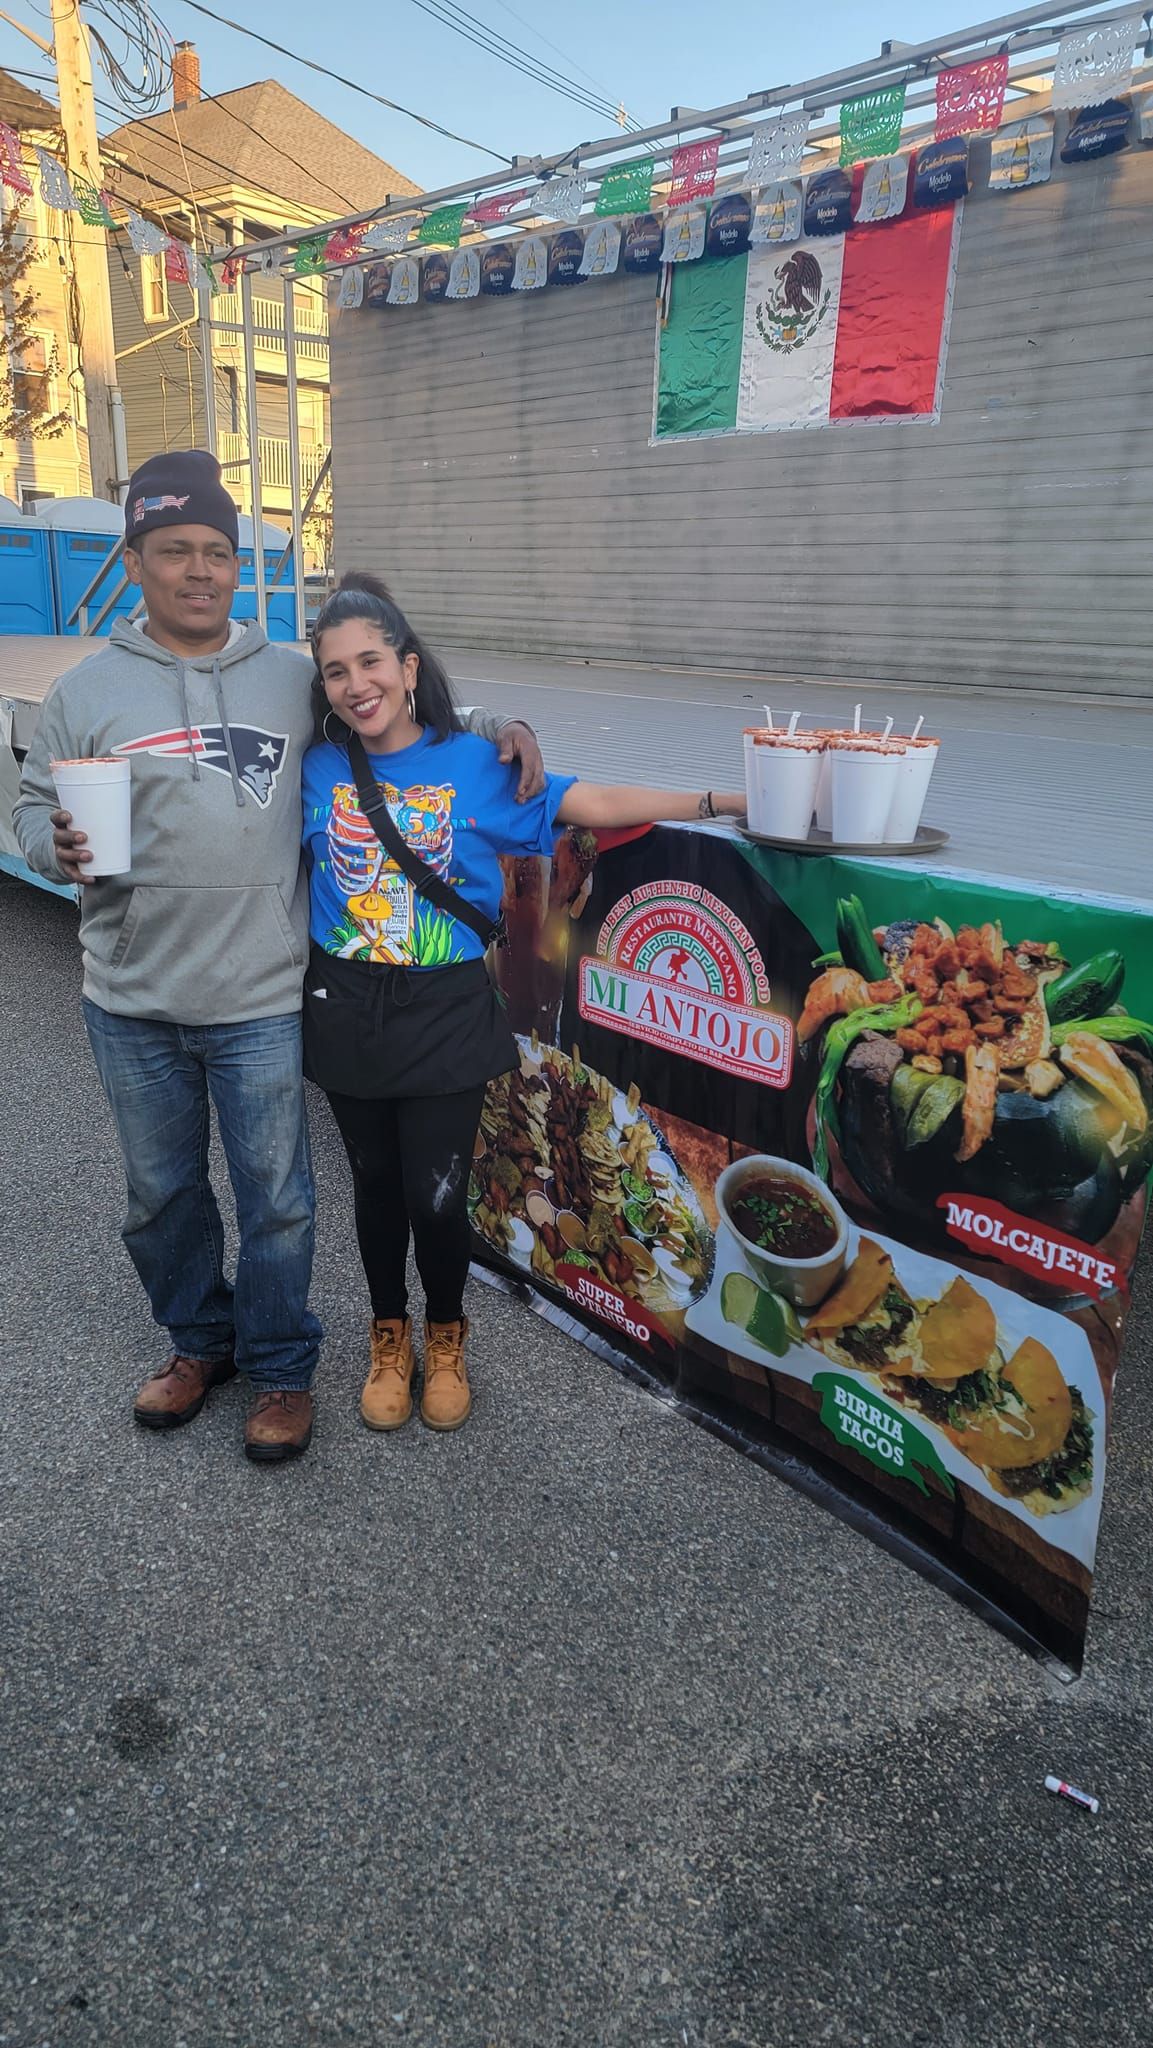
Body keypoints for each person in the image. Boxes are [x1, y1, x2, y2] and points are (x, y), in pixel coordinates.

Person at [14, 451, 543, 1464]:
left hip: (261, 992)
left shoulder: (289, 677)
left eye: (218, 550)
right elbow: (36, 807)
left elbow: (387, 708)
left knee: (280, 1198)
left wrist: (488, 723)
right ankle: (197, 1342)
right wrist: (53, 845)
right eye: (176, 551)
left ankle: (281, 1364)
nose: (201, 570)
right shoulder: (86, 691)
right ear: (135, 561)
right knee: (159, 1194)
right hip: (129, 994)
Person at [303, 573, 745, 1434]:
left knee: (437, 1193)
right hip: (346, 1002)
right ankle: (386, 1336)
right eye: (333, 671)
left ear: (406, 664)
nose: (355, 684)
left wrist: (723, 799)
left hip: (443, 1009)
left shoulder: (476, 762)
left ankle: (446, 1332)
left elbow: (600, 804)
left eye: (370, 662)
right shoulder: (316, 762)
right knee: (373, 1184)